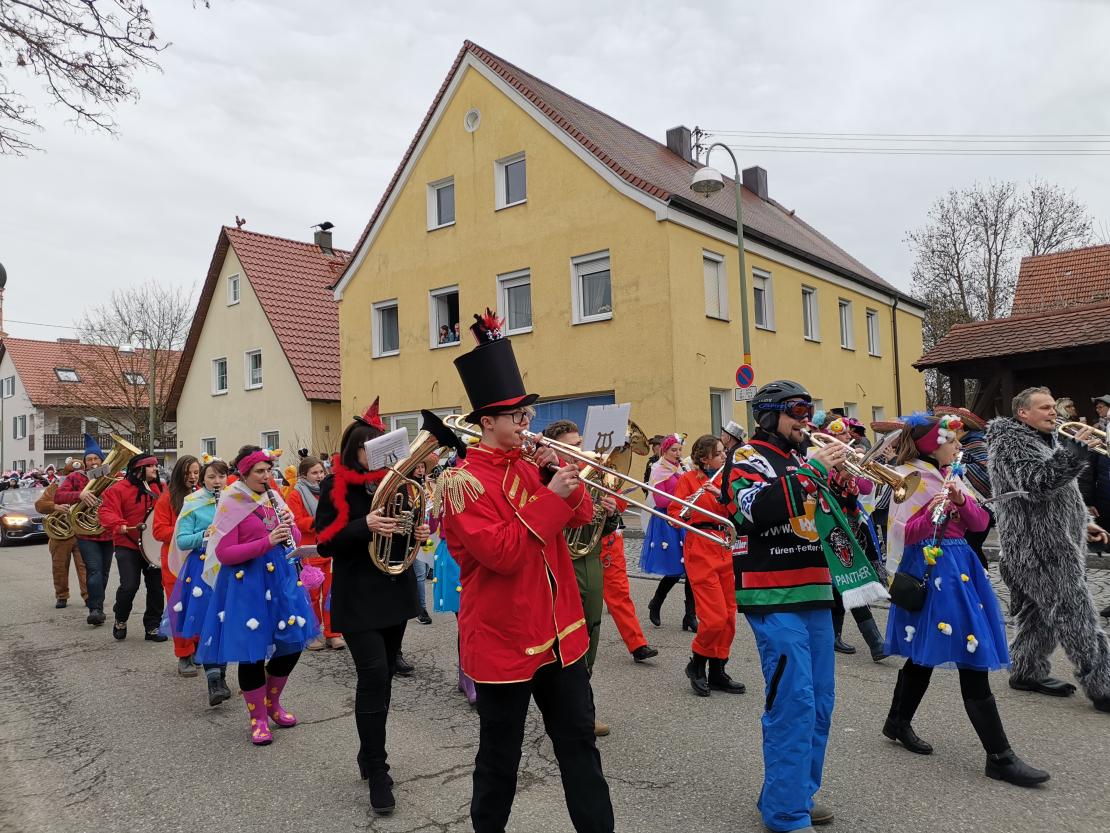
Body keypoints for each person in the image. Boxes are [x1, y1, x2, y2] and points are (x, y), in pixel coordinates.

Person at [440, 309, 613, 833]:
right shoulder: (462, 483)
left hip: (561, 635)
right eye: (515, 415)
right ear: (486, 422)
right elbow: (502, 553)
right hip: (505, 640)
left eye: (526, 413)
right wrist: (549, 499)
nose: (525, 422)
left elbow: (582, 518)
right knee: (500, 761)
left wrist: (564, 477)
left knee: (580, 748)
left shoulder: (531, 465)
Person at [722, 380, 887, 833]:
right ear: (770, 415)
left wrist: (847, 492)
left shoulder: (801, 458)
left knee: (819, 703)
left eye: (808, 410)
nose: (806, 419)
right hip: (772, 590)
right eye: (797, 411)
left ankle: (794, 793)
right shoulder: (746, 457)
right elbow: (751, 511)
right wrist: (810, 471)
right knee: (792, 700)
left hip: (815, 588)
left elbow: (836, 526)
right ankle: (786, 815)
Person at [881, 412, 1048, 786]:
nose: (960, 446)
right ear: (933, 445)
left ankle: (897, 720)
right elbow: (905, 534)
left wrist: (959, 498)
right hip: (934, 568)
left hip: (962, 567)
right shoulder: (910, 478)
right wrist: (934, 510)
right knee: (970, 655)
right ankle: (1000, 757)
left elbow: (978, 524)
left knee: (925, 653)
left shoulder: (951, 476)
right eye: (953, 441)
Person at [316, 398, 432, 815]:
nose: (380, 456)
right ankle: (379, 771)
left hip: (393, 591)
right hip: (358, 597)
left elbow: (403, 540)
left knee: (383, 682)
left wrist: (416, 531)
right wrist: (362, 525)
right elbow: (326, 542)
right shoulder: (335, 487)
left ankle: (368, 754)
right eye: (371, 449)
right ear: (356, 451)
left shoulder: (399, 485)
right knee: (374, 675)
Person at [987, 386, 1110, 712]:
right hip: (1038, 549)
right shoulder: (1008, 443)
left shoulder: (1045, 439)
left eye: (1053, 406)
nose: (1053, 412)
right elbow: (1036, 484)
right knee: (1076, 613)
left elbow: (1062, 493)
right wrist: (1076, 453)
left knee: (1037, 615)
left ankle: (1025, 672)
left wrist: (1084, 521)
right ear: (1022, 413)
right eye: (1044, 408)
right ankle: (1104, 686)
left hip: (1050, 544)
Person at [195, 447, 318, 746]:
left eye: (269, 470)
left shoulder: (273, 497)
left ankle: (273, 703)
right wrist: (265, 542)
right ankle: (258, 718)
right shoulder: (231, 501)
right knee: (252, 653)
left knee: (292, 645)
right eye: (260, 472)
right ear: (245, 474)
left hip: (281, 580)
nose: (267, 477)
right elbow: (224, 553)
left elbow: (294, 540)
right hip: (246, 584)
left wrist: (290, 527)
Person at [543, 419, 620, 736]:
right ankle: (572, 713)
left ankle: (582, 707)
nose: (581, 451)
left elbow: (604, 530)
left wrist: (610, 512)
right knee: (567, 641)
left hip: (591, 561)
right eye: (573, 446)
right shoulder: (550, 479)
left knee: (592, 631)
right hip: (565, 565)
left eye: (580, 444)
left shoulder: (590, 479)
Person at [670, 434, 744, 697]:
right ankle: (697, 664)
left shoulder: (727, 480)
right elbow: (673, 516)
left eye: (725, 452)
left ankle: (718, 670)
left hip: (724, 546)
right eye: (720, 453)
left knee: (729, 617)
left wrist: (723, 497)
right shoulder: (688, 480)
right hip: (700, 547)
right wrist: (687, 508)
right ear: (704, 459)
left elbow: (737, 513)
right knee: (713, 619)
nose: (725, 457)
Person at [818, 418, 887, 661]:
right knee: (847, 580)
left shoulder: (846, 459)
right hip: (831, 528)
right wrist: (843, 474)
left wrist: (860, 467)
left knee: (843, 582)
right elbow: (825, 495)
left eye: (848, 434)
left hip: (851, 527)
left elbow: (867, 489)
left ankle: (835, 636)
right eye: (843, 435)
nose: (848, 438)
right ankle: (875, 642)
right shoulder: (820, 461)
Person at [166, 456, 232, 706]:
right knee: (209, 622)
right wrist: (205, 535)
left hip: (229, 567)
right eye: (211, 477)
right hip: (202, 566)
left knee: (224, 621)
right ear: (202, 479)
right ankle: (214, 680)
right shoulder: (192, 502)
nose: (217, 481)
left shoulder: (234, 499)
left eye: (221, 476)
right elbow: (182, 540)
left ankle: (221, 676)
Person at [98, 452, 166, 643]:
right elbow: (106, 511)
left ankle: (152, 627)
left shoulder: (160, 488)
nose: (156, 469)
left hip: (153, 546)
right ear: (140, 469)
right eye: (151, 466)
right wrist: (119, 523)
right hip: (127, 544)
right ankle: (120, 619)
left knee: (155, 587)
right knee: (129, 586)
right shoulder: (118, 489)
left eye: (156, 465)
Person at [54, 435, 113, 627]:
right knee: (94, 570)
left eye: (96, 459)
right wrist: (79, 494)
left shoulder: (112, 477)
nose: (93, 462)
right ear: (85, 462)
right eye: (90, 459)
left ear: (102, 460)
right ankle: (95, 609)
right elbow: (58, 495)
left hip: (107, 532)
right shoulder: (75, 477)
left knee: (104, 572)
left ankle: (99, 606)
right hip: (86, 534)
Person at [288, 456, 345, 650]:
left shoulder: (329, 490)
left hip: (330, 549)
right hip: (309, 551)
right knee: (311, 596)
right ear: (304, 475)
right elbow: (295, 521)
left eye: (321, 471)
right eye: (314, 473)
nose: (319, 476)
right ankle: (312, 633)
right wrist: (318, 523)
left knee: (332, 595)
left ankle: (333, 633)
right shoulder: (295, 494)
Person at [641, 435, 695, 631]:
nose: (678, 454)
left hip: (684, 518)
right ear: (664, 450)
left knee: (691, 568)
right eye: (673, 450)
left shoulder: (681, 468)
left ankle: (690, 615)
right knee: (675, 568)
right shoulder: (658, 470)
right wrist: (682, 498)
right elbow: (660, 500)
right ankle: (657, 601)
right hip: (668, 521)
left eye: (679, 450)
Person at [153, 455, 200, 672]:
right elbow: (158, 531)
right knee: (180, 608)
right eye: (188, 473)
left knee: (201, 606)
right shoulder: (166, 499)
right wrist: (187, 533)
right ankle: (184, 655)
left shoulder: (203, 496)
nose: (192, 477)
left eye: (196, 473)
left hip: (199, 560)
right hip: (175, 562)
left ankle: (199, 648)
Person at [36, 460, 88, 609]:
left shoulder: (87, 487)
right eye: (71, 473)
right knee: (59, 568)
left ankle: (88, 597)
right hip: (60, 535)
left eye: (78, 473)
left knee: (84, 567)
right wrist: (55, 506)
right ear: (66, 474)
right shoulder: (55, 487)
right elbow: (39, 505)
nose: (74, 476)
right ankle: (62, 596)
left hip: (80, 532)